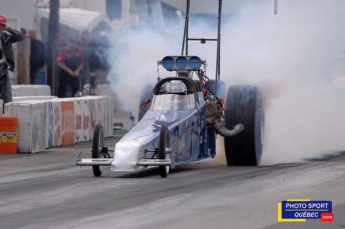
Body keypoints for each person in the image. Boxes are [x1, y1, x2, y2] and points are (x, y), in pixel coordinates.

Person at [0, 14, 24, 107]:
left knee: (7, 98)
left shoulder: (6, 37)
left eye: (2, 26)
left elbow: (20, 36)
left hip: (3, 69)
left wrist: (8, 29)